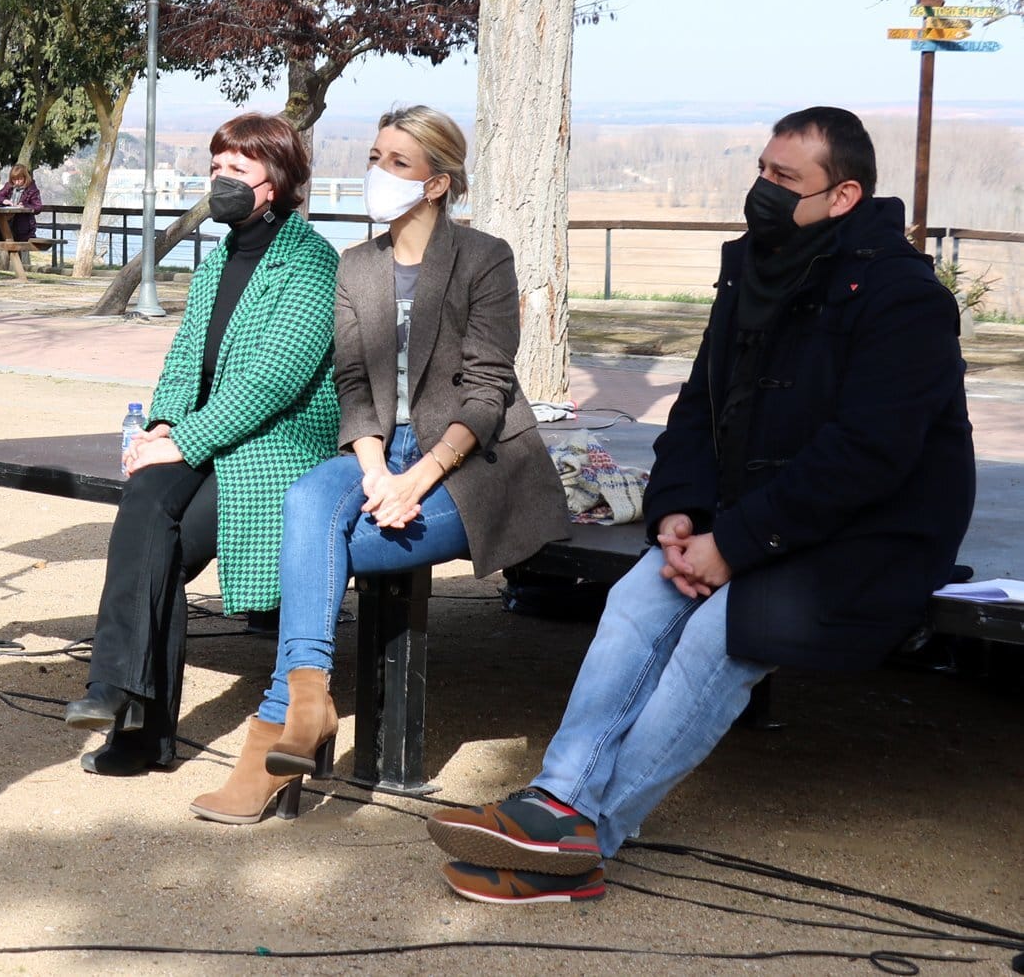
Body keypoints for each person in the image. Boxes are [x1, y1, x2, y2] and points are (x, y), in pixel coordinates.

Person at [427, 107, 974, 905]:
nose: (762, 190)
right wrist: (679, 512)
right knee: (638, 594)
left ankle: (585, 841)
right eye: (761, 169)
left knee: (725, 630)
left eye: (785, 178)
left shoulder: (905, 297)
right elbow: (701, 404)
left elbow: (869, 455)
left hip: (872, 531)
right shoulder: (757, 267)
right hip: (760, 513)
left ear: (845, 194)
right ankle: (555, 802)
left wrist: (737, 544)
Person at [189, 105, 567, 825]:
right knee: (304, 504)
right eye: (374, 155)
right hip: (376, 453)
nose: (377, 172)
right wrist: (373, 469)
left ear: (436, 183)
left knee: (313, 545)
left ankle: (283, 725)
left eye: (398, 161)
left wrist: (416, 478)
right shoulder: (356, 266)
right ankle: (307, 704)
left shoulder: (485, 259)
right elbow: (353, 386)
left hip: (469, 463)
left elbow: (488, 393)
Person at [61, 112, 339, 784]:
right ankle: (120, 700)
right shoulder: (217, 261)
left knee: (157, 542)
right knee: (146, 503)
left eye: (236, 170)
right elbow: (186, 358)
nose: (221, 181)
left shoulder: (312, 262)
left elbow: (272, 380)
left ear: (273, 183)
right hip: (205, 434)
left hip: (276, 445)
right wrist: (161, 425)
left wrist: (184, 438)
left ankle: (131, 719)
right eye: (216, 168)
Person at [0, 164, 41, 278]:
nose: (17, 182)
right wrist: (5, 201)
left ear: (26, 178)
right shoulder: (9, 186)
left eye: (19, 179)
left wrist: (24, 206)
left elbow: (38, 207)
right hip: (7, 224)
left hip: (21, 229)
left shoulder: (32, 190)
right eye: (14, 179)